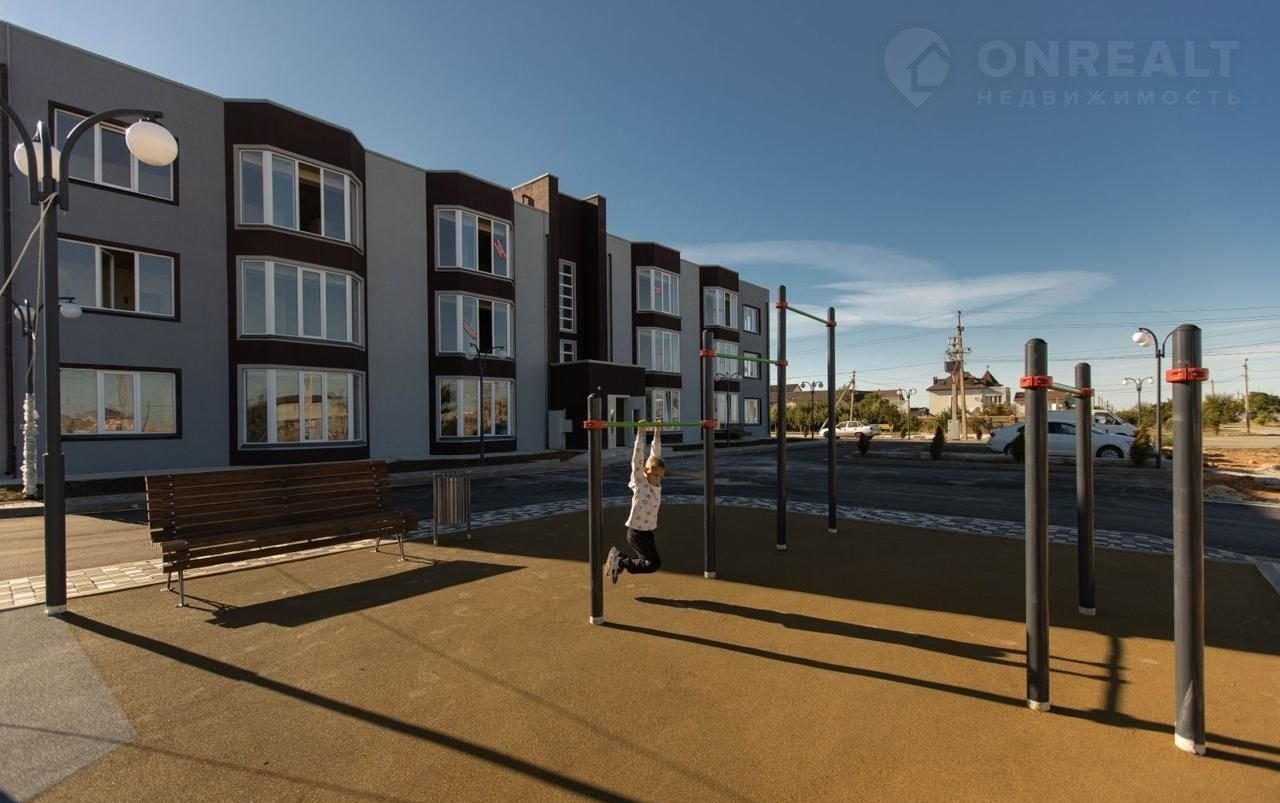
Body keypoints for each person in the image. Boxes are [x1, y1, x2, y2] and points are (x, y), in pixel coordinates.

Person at [606, 423, 665, 583]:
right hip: (637, 533)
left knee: (652, 563)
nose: (658, 479)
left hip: (647, 531)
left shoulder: (656, 485)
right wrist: (640, 433)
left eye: (661, 476)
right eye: (655, 475)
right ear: (645, 471)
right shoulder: (641, 482)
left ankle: (620, 559)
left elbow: (656, 456)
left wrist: (657, 433)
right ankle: (620, 561)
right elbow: (637, 460)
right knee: (652, 564)